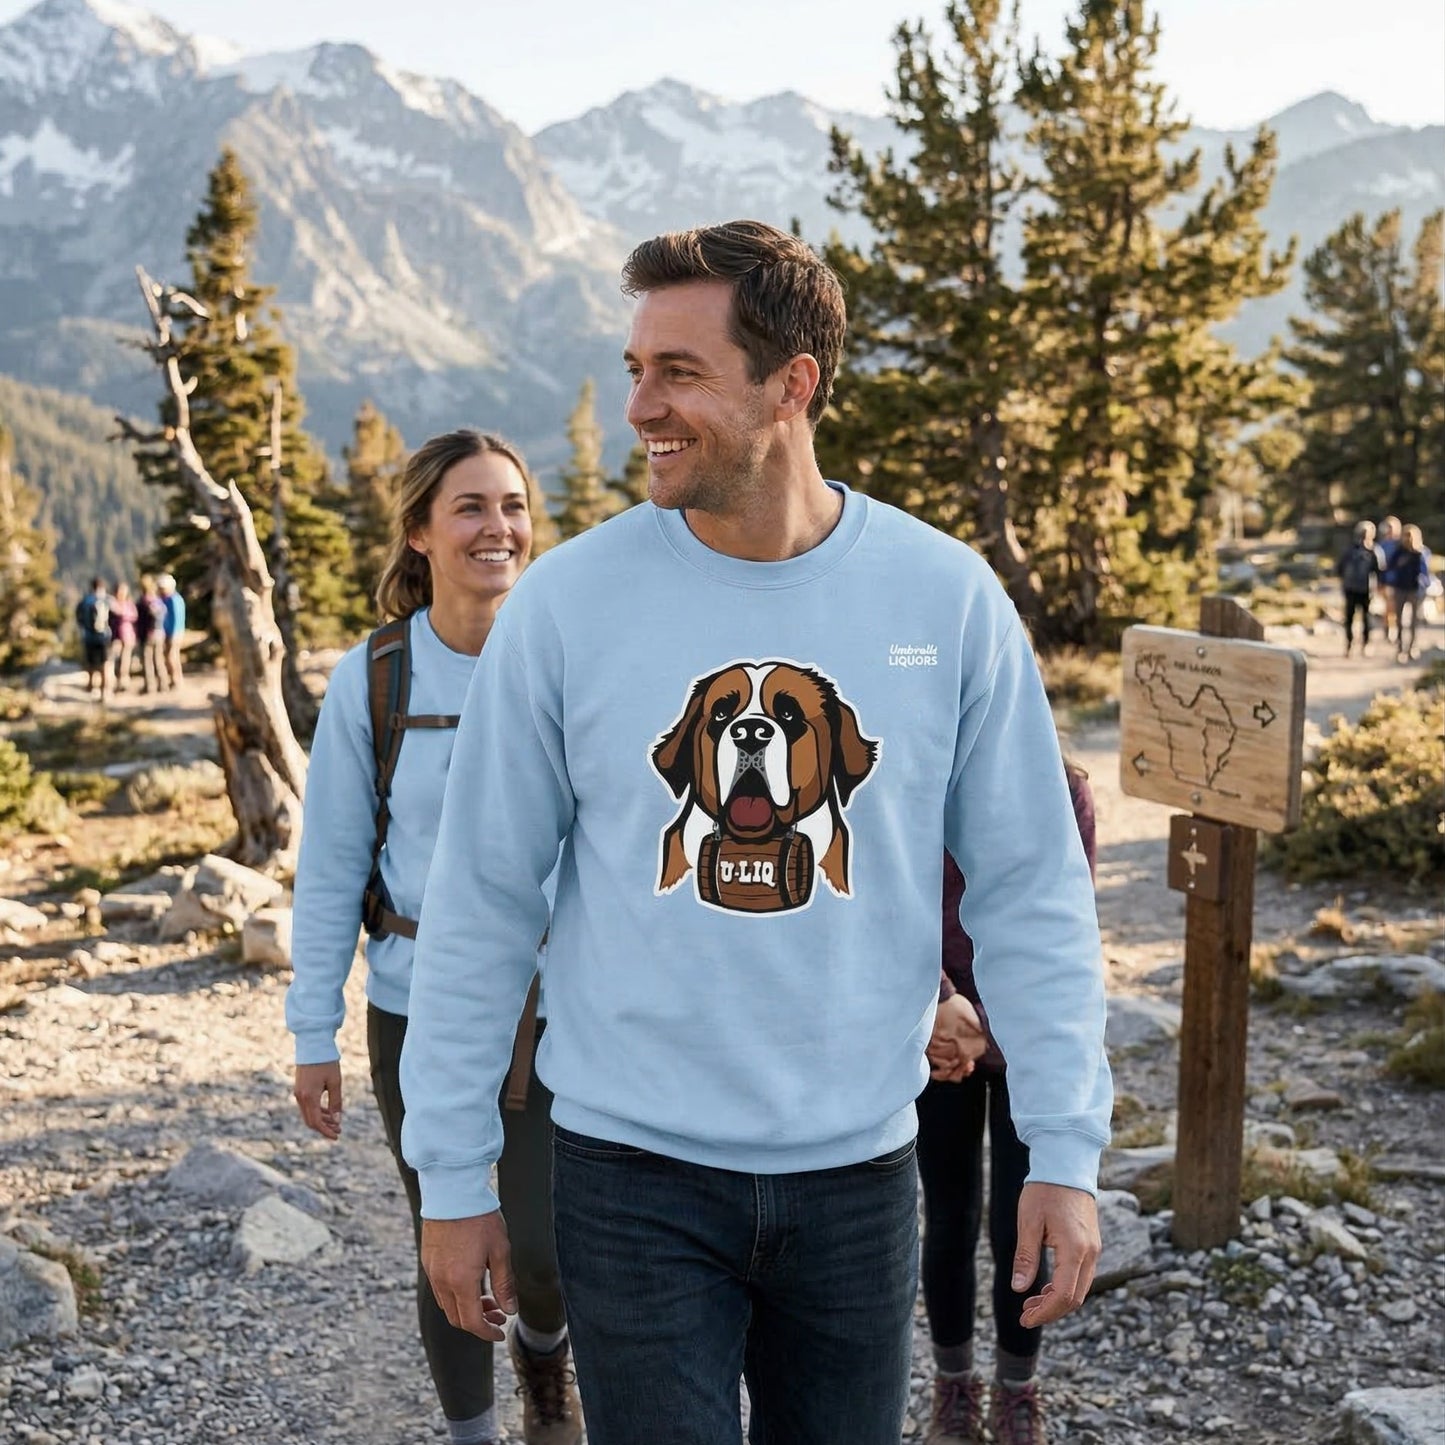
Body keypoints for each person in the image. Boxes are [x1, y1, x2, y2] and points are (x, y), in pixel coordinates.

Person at [398, 221, 1111, 1445]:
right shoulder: (566, 607)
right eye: (632, 369)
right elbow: (481, 903)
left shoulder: (943, 600)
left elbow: (1030, 891)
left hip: (861, 1177)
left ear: (794, 384)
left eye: (677, 372)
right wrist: (454, 1174)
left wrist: (1062, 1144)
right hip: (629, 1172)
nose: (638, 407)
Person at [287, 430, 581, 1445]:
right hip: (415, 1005)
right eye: (469, 506)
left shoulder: (565, 658)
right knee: (449, 1238)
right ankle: (472, 1432)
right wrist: (310, 1029)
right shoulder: (373, 678)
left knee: (543, 1247)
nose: (497, 526)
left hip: (559, 1012)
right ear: (417, 530)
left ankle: (545, 1355)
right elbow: (329, 865)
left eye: (512, 505)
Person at [921, 764, 1097, 1445]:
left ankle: (1017, 1392)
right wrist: (935, 1001)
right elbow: (891, 899)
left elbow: (1065, 920)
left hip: (1025, 1038)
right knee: (949, 1216)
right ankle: (953, 1389)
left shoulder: (1064, 786)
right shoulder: (921, 772)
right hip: (942, 1034)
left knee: (1020, 1229)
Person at [1335, 521, 1383, 658]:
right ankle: (1349, 644)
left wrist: (1379, 586)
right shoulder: (1350, 550)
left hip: (1366, 590)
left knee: (1366, 618)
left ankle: (1366, 643)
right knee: (1349, 618)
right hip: (1350, 588)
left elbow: (1379, 570)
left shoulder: (1374, 550)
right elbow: (1340, 567)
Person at [1392, 523, 1431, 663]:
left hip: (1415, 590)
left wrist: (1424, 585)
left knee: (1414, 620)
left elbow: (1426, 573)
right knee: (1399, 620)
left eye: (1410, 535)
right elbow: (1391, 567)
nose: (1408, 538)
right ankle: (1400, 647)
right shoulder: (1399, 551)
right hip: (1401, 588)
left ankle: (1412, 647)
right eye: (1405, 535)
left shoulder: (1422, 552)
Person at [75, 577, 111, 700]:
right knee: (104, 664)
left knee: (90, 663)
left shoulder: (85, 601)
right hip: (104, 637)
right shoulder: (106, 600)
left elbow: (79, 618)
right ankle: (104, 692)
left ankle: (90, 685)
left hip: (89, 637)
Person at [134, 575, 166, 695]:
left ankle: (149, 686)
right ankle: (163, 683)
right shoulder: (157, 600)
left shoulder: (143, 601)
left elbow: (139, 619)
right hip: (159, 632)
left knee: (147, 661)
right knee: (159, 659)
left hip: (147, 634)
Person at [107, 581, 138, 693]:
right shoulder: (111, 603)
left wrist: (122, 614)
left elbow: (134, 616)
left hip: (128, 636)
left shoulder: (129, 604)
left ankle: (124, 681)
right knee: (114, 660)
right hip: (115, 636)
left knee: (126, 660)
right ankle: (112, 682)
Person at [1377, 516, 1403, 646]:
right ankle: (1388, 630)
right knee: (1389, 607)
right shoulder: (1382, 545)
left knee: (1396, 608)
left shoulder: (1401, 544)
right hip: (1386, 581)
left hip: (1400, 581)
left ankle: (1395, 631)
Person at [156, 573, 185, 689]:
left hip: (173, 632)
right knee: (174, 656)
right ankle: (177, 678)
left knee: (171, 657)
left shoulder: (173, 600)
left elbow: (175, 618)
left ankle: (175, 680)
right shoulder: (172, 598)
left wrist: (169, 633)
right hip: (175, 632)